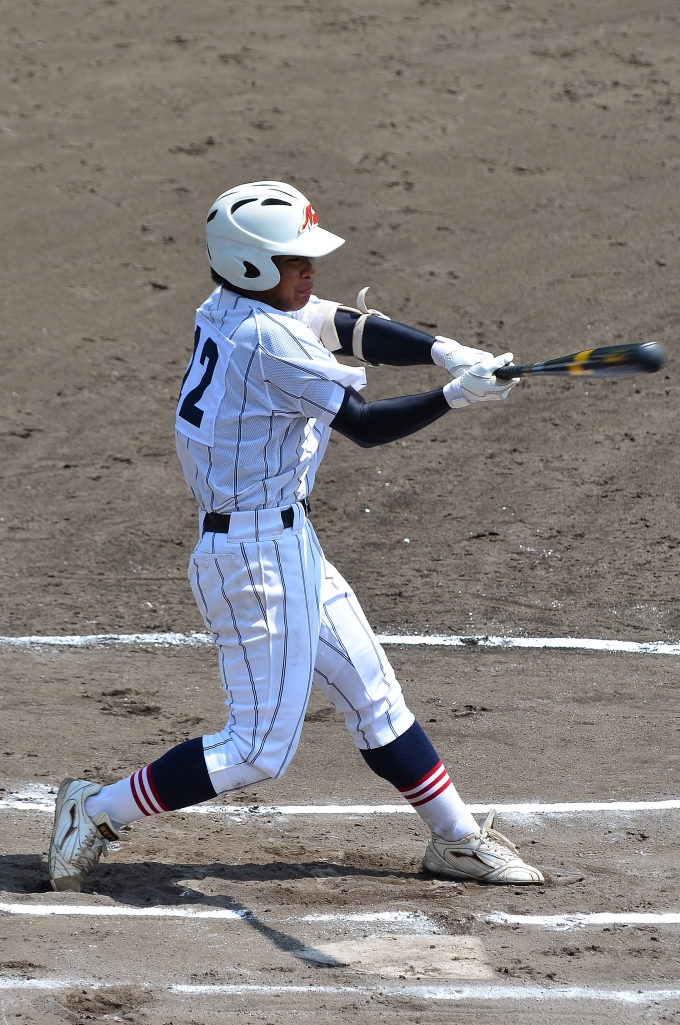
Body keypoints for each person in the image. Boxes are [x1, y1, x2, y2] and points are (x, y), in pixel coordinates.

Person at [49, 181, 543, 892]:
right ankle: (96, 811)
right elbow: (363, 425)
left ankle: (458, 840)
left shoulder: (233, 307)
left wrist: (445, 350)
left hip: (285, 541)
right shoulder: (266, 341)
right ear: (251, 265)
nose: (309, 270)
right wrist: (456, 396)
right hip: (252, 561)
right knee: (256, 749)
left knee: (374, 697)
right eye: (294, 260)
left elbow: (339, 323)